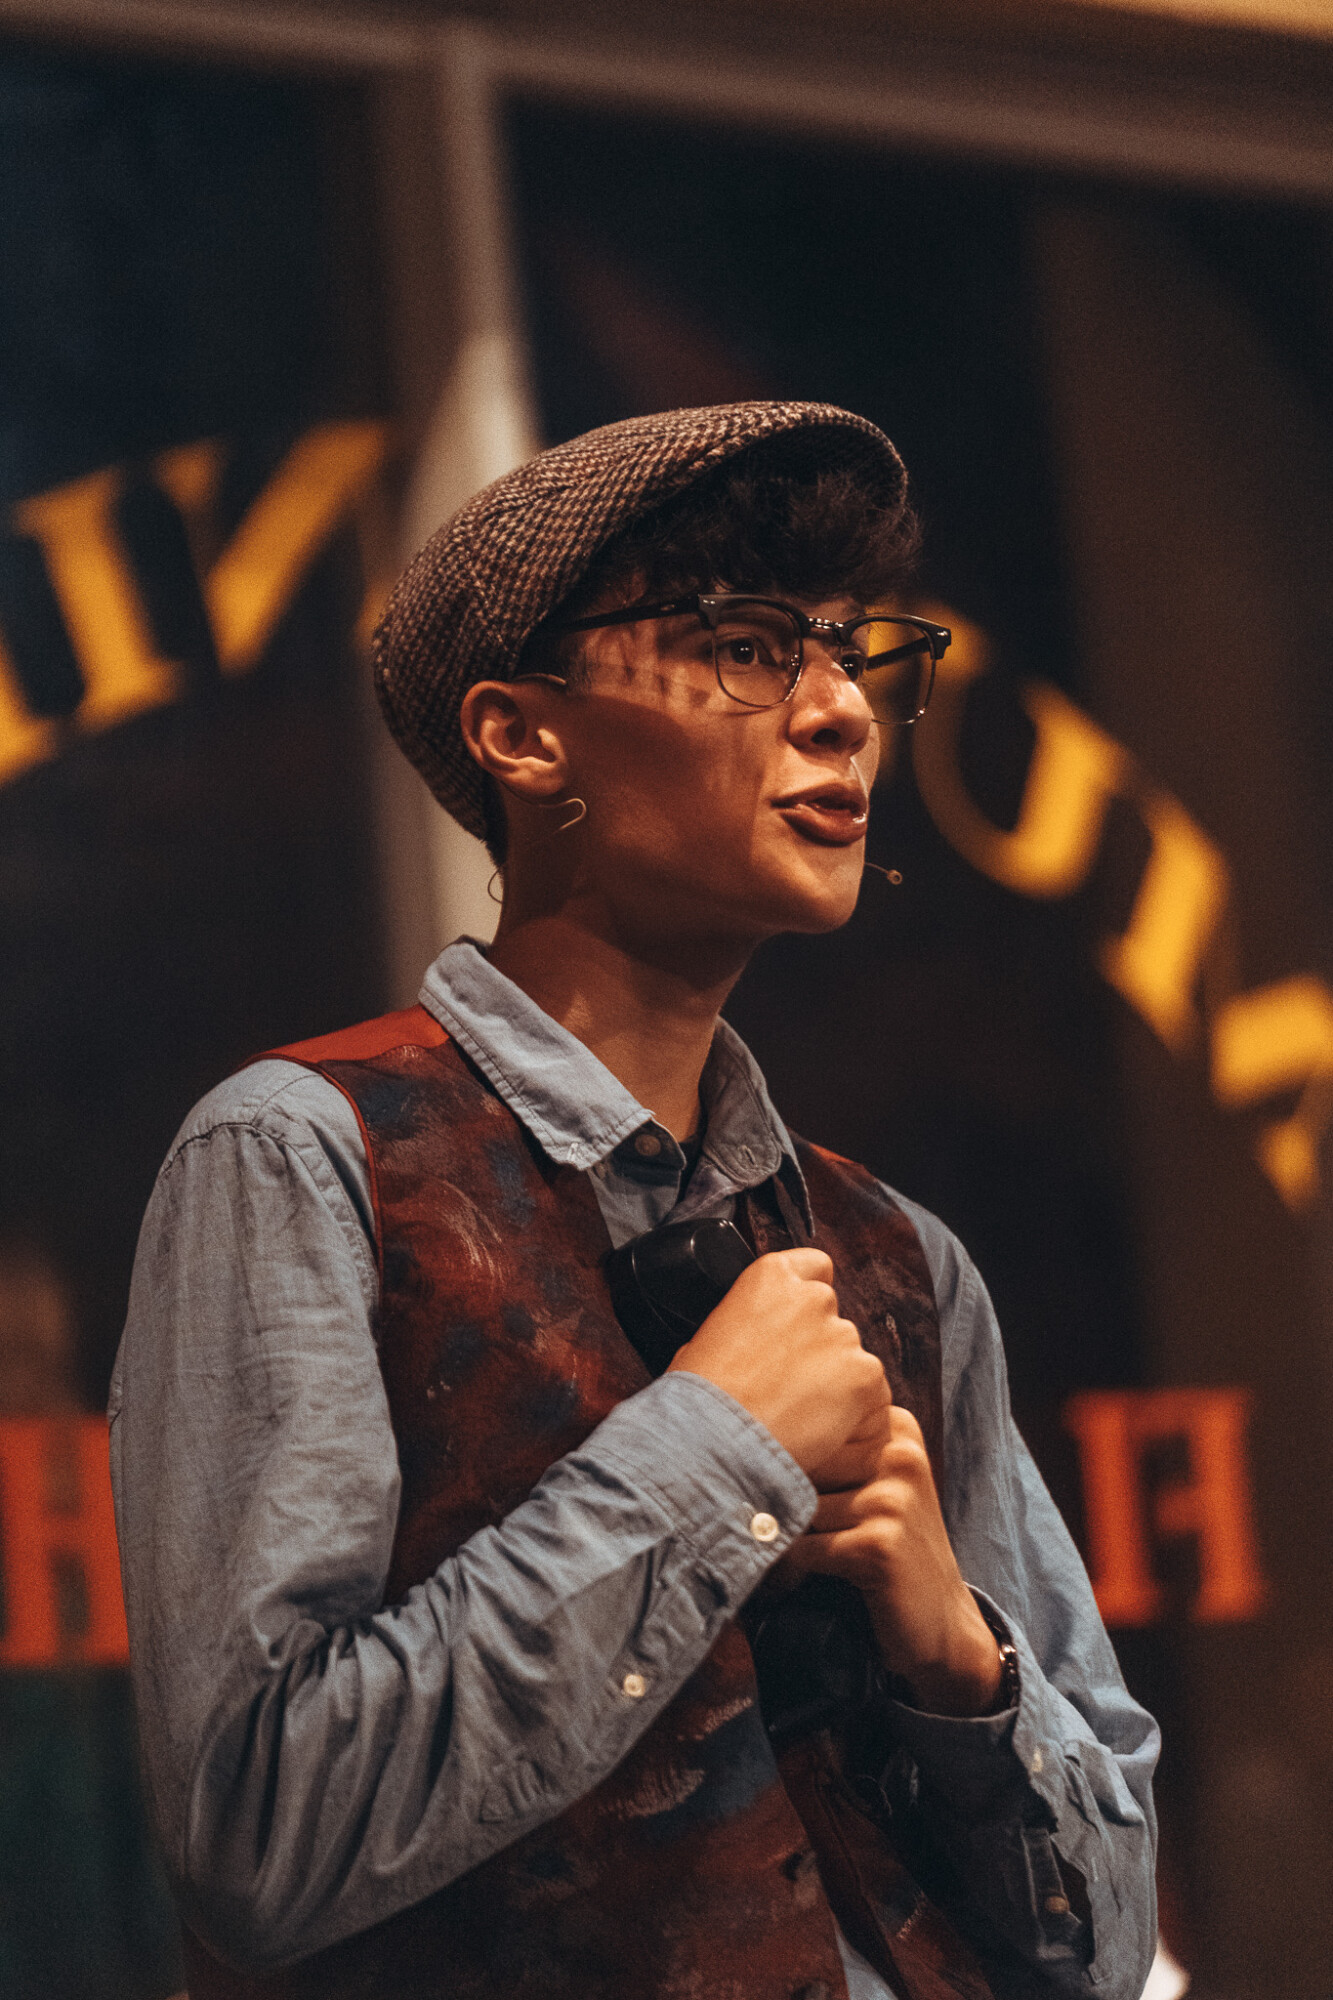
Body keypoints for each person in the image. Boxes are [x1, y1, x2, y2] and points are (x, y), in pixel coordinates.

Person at [111, 401, 1158, 2000]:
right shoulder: (304, 1157)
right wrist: (713, 1450)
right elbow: (260, 1839)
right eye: (746, 649)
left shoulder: (896, 1258)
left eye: (849, 653)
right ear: (522, 737)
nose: (841, 712)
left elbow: (1106, 1944)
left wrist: (954, 1653)